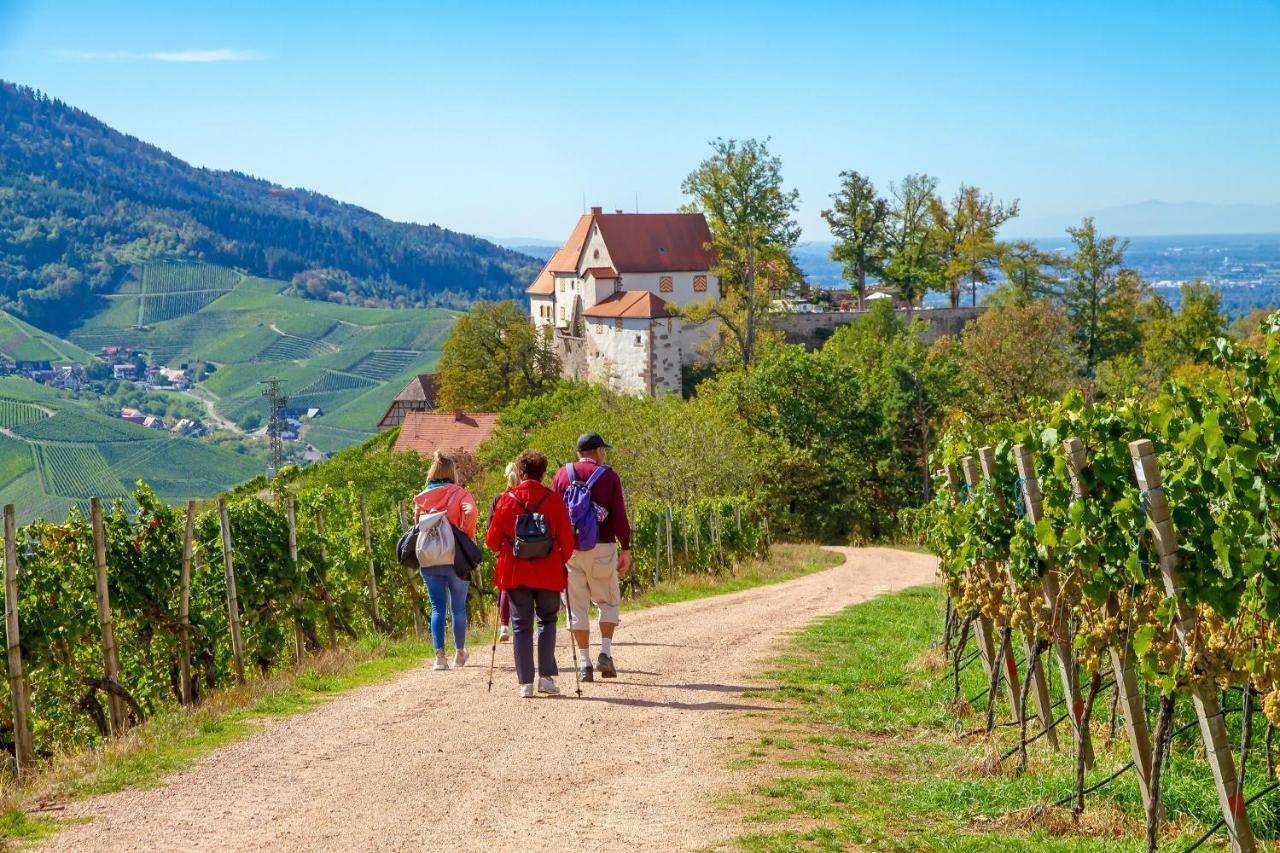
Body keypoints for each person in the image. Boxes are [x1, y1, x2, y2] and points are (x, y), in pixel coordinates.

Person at [485, 450, 576, 698]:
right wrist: (558, 559)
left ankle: (525, 682)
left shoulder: (506, 500)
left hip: (515, 573)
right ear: (542, 472)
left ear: (520, 472)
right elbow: (567, 543)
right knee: (547, 620)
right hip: (548, 571)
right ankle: (546, 678)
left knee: (520, 625)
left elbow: (492, 541)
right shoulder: (554, 500)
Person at [551, 432, 631, 682]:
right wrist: (626, 548)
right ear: (597, 452)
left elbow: (554, 512)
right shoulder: (609, 476)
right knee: (608, 602)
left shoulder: (562, 475)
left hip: (571, 551)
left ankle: (584, 663)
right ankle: (605, 653)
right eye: (602, 450)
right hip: (602, 547)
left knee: (577, 606)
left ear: (578, 453)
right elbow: (619, 515)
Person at [413, 450, 478, 671]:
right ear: (452, 473)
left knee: (437, 608)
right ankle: (460, 652)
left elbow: (417, 526)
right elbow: (471, 513)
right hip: (454, 558)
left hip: (429, 558)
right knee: (458, 608)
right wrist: (465, 536)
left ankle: (439, 657)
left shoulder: (422, 497)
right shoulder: (460, 494)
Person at [488, 462, 520, 643]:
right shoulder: (525, 496)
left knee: (505, 587)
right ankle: (521, 626)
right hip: (526, 548)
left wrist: (497, 547)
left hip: (505, 549)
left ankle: (504, 626)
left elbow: (491, 527)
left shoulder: (499, 498)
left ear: (504, 477)